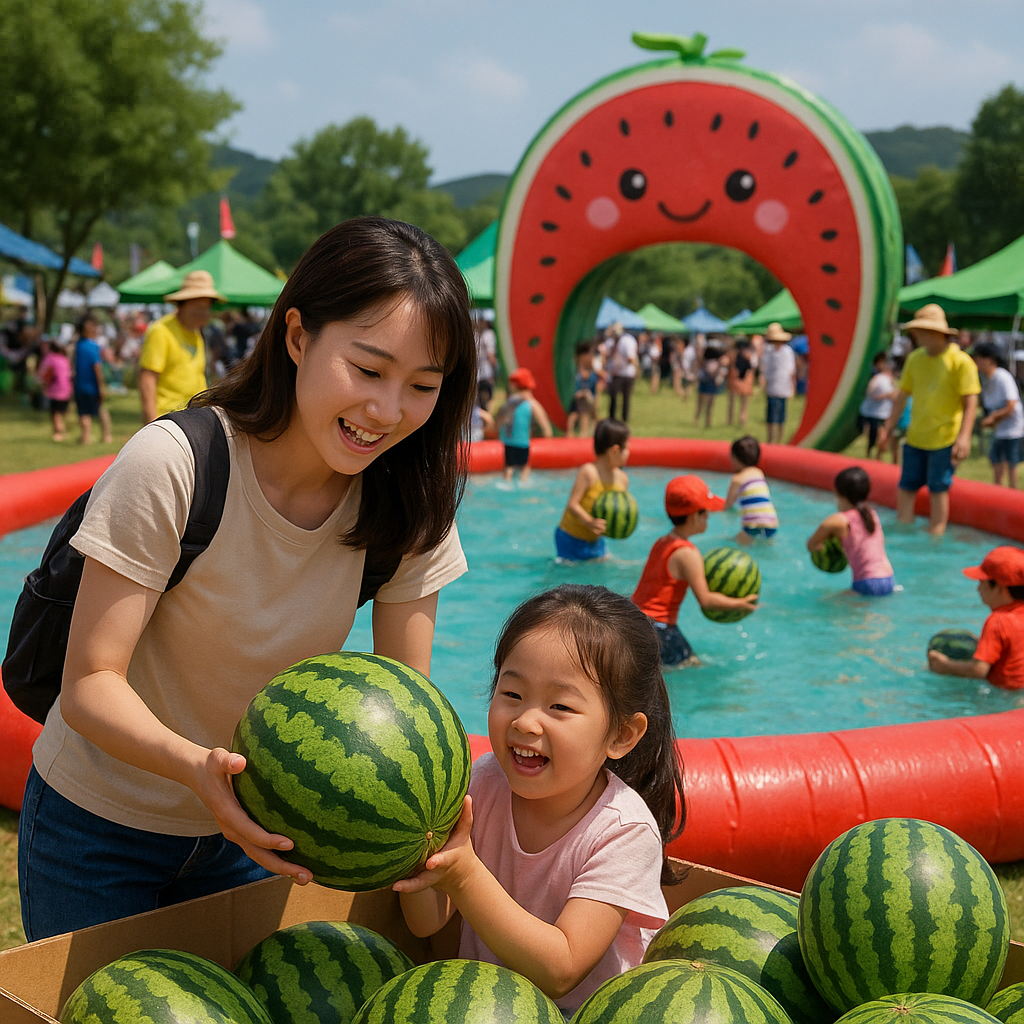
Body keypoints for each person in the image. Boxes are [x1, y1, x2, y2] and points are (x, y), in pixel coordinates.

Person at [17, 217, 477, 942]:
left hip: (259, 843)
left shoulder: (410, 506)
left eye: (422, 385)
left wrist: (424, 825)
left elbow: (405, 708)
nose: (386, 412)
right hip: (98, 831)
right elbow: (88, 684)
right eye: (367, 370)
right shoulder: (175, 465)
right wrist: (200, 769)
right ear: (297, 337)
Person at [395, 585, 683, 1017]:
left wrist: (465, 875)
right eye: (512, 694)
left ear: (622, 735)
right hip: (484, 1008)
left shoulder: (622, 832)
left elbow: (561, 969)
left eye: (560, 706)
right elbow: (425, 923)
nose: (527, 721)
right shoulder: (481, 783)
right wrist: (421, 845)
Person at [632, 475, 759, 667]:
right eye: (705, 512)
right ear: (693, 516)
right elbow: (706, 601)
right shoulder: (687, 553)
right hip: (660, 630)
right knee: (693, 666)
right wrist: (740, 604)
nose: (709, 515)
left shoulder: (662, 542)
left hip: (635, 622)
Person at [877, 304, 980, 536]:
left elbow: (970, 402)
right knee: (906, 487)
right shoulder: (915, 359)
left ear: (937, 333)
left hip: (944, 439)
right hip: (915, 437)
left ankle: (936, 534)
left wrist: (963, 438)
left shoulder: (960, 361)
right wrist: (888, 428)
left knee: (938, 488)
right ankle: (903, 529)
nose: (916, 335)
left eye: (921, 331)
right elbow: (902, 396)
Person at [928, 546, 1024, 689]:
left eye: (982, 582)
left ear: (999, 588)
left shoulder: (997, 621)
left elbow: (979, 670)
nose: (978, 589)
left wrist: (945, 665)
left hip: (1002, 694)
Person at [139, 270, 224, 424]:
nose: (205, 313)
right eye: (199, 307)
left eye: (207, 307)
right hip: (166, 419)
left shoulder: (197, 333)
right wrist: (152, 423)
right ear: (183, 304)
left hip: (193, 418)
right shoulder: (161, 330)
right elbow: (148, 379)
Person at [806, 467, 895, 596]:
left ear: (837, 491)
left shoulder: (837, 521)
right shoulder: (871, 514)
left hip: (866, 583)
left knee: (826, 602)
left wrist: (831, 548)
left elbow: (811, 545)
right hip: (889, 580)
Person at [554, 418, 630, 562]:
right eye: (626, 448)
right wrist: (588, 521)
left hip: (595, 541)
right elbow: (573, 504)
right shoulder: (589, 472)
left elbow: (618, 510)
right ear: (615, 450)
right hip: (570, 538)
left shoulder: (622, 479)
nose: (628, 452)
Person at [973, 341, 1024, 488]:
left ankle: (1012, 495)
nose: (976, 363)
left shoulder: (1002, 377)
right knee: (996, 462)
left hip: (1012, 430)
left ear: (990, 360)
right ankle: (998, 492)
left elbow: (1011, 405)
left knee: (1011, 463)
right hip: (1000, 430)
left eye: (979, 359)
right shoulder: (988, 380)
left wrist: (992, 419)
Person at [497, 367, 553, 483]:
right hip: (522, 443)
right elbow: (547, 430)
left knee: (508, 469)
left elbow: (498, 423)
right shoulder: (532, 403)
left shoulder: (509, 402)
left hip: (507, 443)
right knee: (524, 472)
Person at [724, 435, 778, 544]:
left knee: (731, 542)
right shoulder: (759, 473)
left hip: (752, 524)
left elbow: (727, 505)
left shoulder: (737, 479)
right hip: (772, 523)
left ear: (735, 458)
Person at [73, 314, 113, 445]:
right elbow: (97, 367)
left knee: (84, 413)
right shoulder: (93, 346)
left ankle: (85, 438)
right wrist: (101, 387)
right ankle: (106, 436)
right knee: (100, 410)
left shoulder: (79, 345)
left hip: (81, 386)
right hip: (91, 386)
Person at [761, 322, 796, 444]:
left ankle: (779, 440)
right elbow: (766, 369)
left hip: (783, 387)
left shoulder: (787, 351)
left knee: (781, 416)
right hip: (772, 387)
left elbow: (791, 371)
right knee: (771, 416)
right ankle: (770, 439)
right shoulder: (769, 351)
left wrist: (792, 387)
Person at [858, 353, 896, 459]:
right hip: (874, 413)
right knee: (872, 437)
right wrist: (886, 395)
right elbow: (870, 394)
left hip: (885, 413)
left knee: (883, 437)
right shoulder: (876, 379)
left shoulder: (889, 379)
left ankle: (878, 457)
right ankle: (869, 455)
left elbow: (894, 394)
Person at [36, 338, 73, 442]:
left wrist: (42, 383)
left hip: (55, 390)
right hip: (66, 389)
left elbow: (45, 373)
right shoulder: (64, 358)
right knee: (63, 411)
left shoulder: (50, 358)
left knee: (55, 413)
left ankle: (58, 432)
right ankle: (64, 429)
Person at [566, 342, 603, 438]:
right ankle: (580, 434)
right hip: (581, 395)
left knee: (588, 413)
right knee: (579, 414)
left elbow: (595, 380)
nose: (589, 357)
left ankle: (586, 433)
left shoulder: (590, 370)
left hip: (588, 394)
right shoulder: (579, 368)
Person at [604, 322, 639, 423]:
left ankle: (624, 420)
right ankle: (612, 419)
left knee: (625, 398)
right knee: (613, 397)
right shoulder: (611, 342)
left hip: (626, 373)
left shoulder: (626, 341)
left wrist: (636, 370)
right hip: (615, 373)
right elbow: (607, 355)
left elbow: (630, 358)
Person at [694, 342, 727, 428]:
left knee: (705, 403)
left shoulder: (716, 361)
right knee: (705, 402)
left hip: (709, 382)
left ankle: (704, 420)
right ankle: (700, 420)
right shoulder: (711, 361)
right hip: (708, 381)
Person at [726, 338, 757, 428]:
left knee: (731, 404)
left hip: (733, 381)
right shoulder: (750, 355)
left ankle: (730, 421)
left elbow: (728, 365)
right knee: (744, 406)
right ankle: (742, 421)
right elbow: (753, 367)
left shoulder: (733, 354)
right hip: (746, 382)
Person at [475, 314, 497, 410]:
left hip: (478, 370)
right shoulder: (489, 334)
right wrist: (495, 368)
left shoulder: (476, 334)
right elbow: (490, 354)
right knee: (485, 394)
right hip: (485, 371)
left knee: (478, 394)